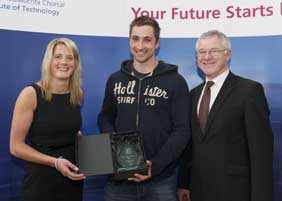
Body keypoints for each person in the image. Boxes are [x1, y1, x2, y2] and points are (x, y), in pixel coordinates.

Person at [98, 16, 191, 201]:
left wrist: (155, 166)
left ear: (157, 43)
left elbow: (182, 131)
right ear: (129, 40)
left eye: (147, 39)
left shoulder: (175, 82)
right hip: (119, 181)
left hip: (161, 181)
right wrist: (115, 143)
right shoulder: (115, 79)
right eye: (135, 38)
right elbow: (105, 117)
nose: (140, 46)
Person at [178, 30, 273, 201]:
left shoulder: (250, 91)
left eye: (214, 51)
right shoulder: (193, 95)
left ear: (227, 54)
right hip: (198, 191)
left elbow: (261, 153)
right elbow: (190, 145)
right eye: (202, 52)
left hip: (236, 192)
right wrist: (184, 183)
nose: (207, 57)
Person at [9, 38, 86, 201]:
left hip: (71, 178)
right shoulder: (31, 94)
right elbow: (15, 147)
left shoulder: (77, 94)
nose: (64, 62)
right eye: (58, 56)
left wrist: (82, 143)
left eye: (70, 57)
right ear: (48, 61)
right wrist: (55, 162)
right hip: (41, 181)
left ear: (76, 63)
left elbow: (68, 129)